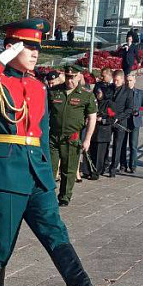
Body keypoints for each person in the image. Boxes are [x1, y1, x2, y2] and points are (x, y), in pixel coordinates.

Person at [0, 18, 126, 286]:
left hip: (36, 173)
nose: (35, 53)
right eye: (28, 47)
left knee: (56, 233)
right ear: (12, 48)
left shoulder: (39, 87)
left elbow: (44, 134)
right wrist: (1, 59)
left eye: (37, 47)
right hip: (4, 174)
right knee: (1, 250)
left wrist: (49, 175)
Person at [48, 65, 97, 206]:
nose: (70, 80)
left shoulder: (86, 94)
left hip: (71, 137)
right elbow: (44, 112)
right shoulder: (54, 91)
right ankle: (48, 195)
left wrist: (87, 139)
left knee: (68, 169)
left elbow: (92, 117)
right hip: (53, 136)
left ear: (79, 76)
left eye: (73, 77)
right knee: (50, 167)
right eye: (68, 77)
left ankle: (64, 196)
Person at [120, 72, 143, 174]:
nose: (129, 83)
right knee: (122, 144)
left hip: (135, 122)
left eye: (131, 80)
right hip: (124, 121)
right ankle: (123, 165)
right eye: (127, 81)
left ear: (135, 81)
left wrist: (139, 111)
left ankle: (133, 166)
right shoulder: (122, 92)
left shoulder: (140, 93)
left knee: (133, 145)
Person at [108, 69, 134, 176]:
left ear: (123, 80)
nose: (115, 82)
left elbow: (129, 109)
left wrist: (118, 118)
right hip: (108, 121)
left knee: (117, 146)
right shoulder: (109, 88)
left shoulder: (128, 91)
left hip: (120, 122)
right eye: (114, 80)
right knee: (106, 143)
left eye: (117, 80)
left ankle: (113, 168)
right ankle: (104, 164)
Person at [90, 85, 115, 176]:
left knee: (100, 154)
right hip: (94, 131)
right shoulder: (95, 102)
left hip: (103, 132)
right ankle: (91, 170)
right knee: (92, 152)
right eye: (97, 92)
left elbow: (112, 118)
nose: (97, 94)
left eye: (99, 93)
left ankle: (97, 171)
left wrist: (102, 120)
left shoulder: (109, 104)